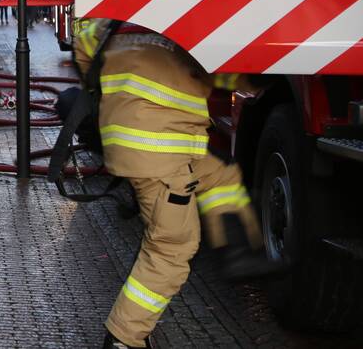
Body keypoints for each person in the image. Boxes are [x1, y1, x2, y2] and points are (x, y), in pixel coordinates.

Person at [73, 19, 282, 349]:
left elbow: (83, 47)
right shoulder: (192, 24)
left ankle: (238, 249)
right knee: (171, 247)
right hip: (161, 152)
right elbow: (223, 74)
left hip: (143, 146)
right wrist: (260, 75)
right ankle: (124, 338)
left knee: (221, 173)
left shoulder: (120, 24)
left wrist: (110, 90)